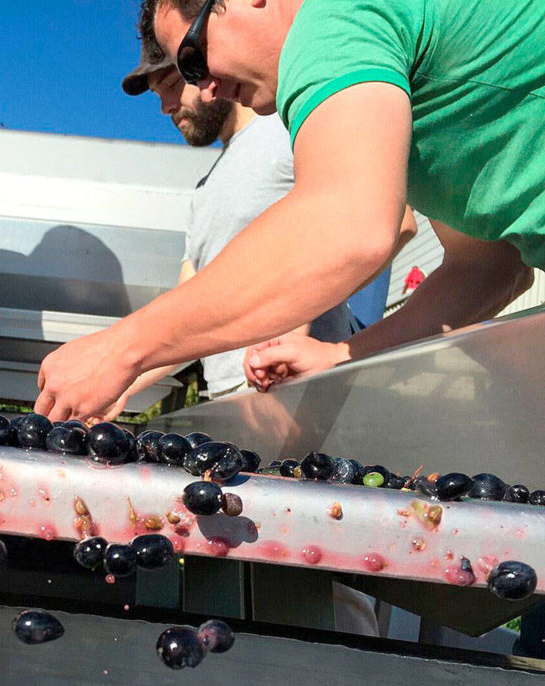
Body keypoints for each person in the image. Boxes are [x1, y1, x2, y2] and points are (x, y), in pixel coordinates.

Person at [34, 0, 539, 423]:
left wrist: (122, 347)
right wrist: (339, 357)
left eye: (192, 57)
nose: (204, 86)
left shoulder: (329, 19)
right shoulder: (390, 91)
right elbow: (488, 267)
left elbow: (346, 224)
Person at [107, 8, 363, 419]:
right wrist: (117, 380)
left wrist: (293, 327)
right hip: (230, 401)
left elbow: (377, 222)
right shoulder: (204, 190)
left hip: (306, 397)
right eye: (158, 96)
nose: (167, 106)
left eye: (173, 82)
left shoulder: (290, 125)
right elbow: (186, 307)